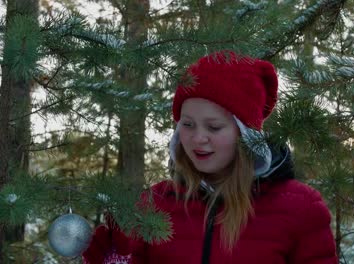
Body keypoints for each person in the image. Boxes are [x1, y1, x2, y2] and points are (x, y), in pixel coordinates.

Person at [83, 51, 337, 264]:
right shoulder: (154, 204)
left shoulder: (301, 208)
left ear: (245, 135)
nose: (198, 138)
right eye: (188, 124)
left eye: (214, 127)